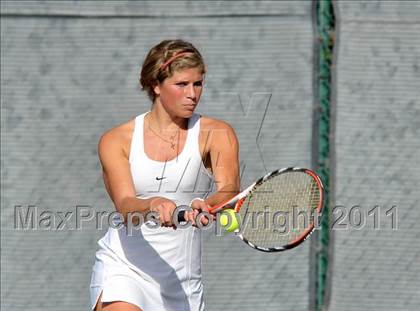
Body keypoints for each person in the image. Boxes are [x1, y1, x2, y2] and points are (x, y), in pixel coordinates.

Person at [90, 39, 240, 311]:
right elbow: (125, 206)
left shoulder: (218, 134)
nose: (192, 94)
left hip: (182, 280)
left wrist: (208, 205)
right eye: (181, 84)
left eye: (198, 84)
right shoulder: (116, 140)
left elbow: (229, 189)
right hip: (125, 266)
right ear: (155, 86)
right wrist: (153, 204)